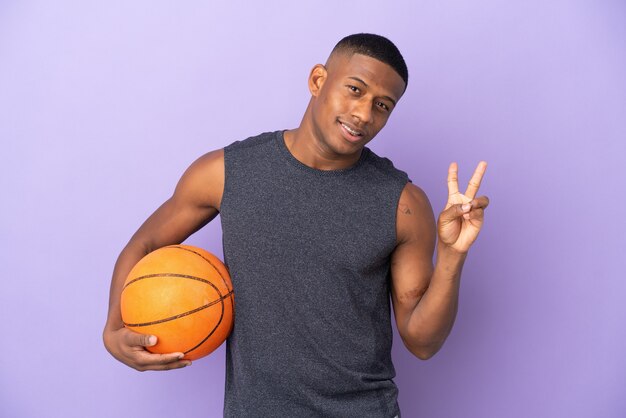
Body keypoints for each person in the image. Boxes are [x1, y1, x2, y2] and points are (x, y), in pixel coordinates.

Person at [103, 33, 489, 417]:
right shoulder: (225, 173)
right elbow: (147, 244)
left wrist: (453, 256)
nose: (363, 114)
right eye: (355, 90)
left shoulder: (403, 204)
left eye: (382, 106)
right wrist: (113, 329)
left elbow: (422, 342)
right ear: (318, 80)